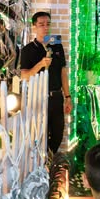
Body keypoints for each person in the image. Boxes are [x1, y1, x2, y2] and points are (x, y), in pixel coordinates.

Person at [19, 11, 72, 152]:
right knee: (39, 133)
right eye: (41, 24)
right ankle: (42, 161)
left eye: (48, 24)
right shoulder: (27, 50)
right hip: (38, 98)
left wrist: (67, 97)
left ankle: (50, 159)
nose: (45, 27)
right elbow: (24, 76)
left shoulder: (56, 45)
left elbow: (63, 72)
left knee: (58, 134)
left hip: (56, 96)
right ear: (34, 26)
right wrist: (40, 64)